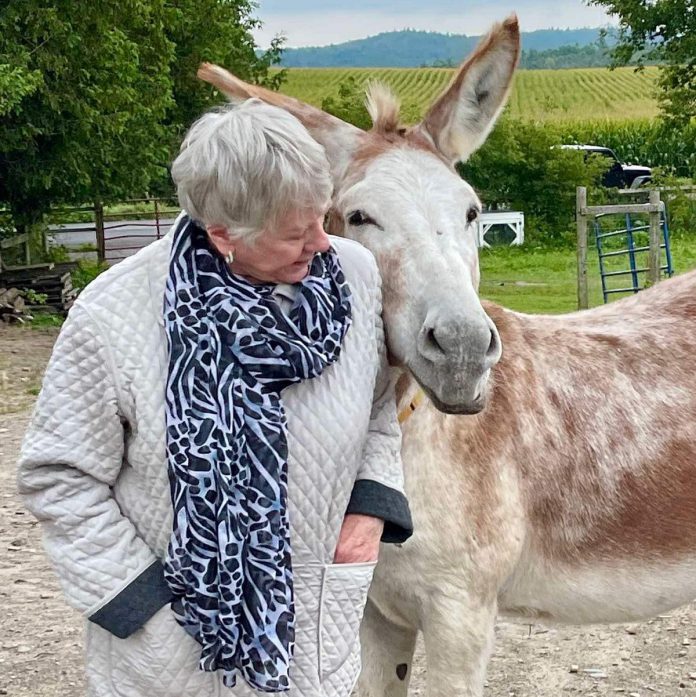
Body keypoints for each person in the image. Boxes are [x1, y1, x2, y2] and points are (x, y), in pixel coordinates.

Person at [17, 98, 412, 697]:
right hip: (174, 647)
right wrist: (140, 602)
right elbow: (59, 476)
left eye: (320, 219)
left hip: (316, 625)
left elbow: (378, 410)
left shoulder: (354, 278)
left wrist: (368, 512)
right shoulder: (114, 314)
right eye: (294, 232)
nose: (321, 244)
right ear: (224, 234)